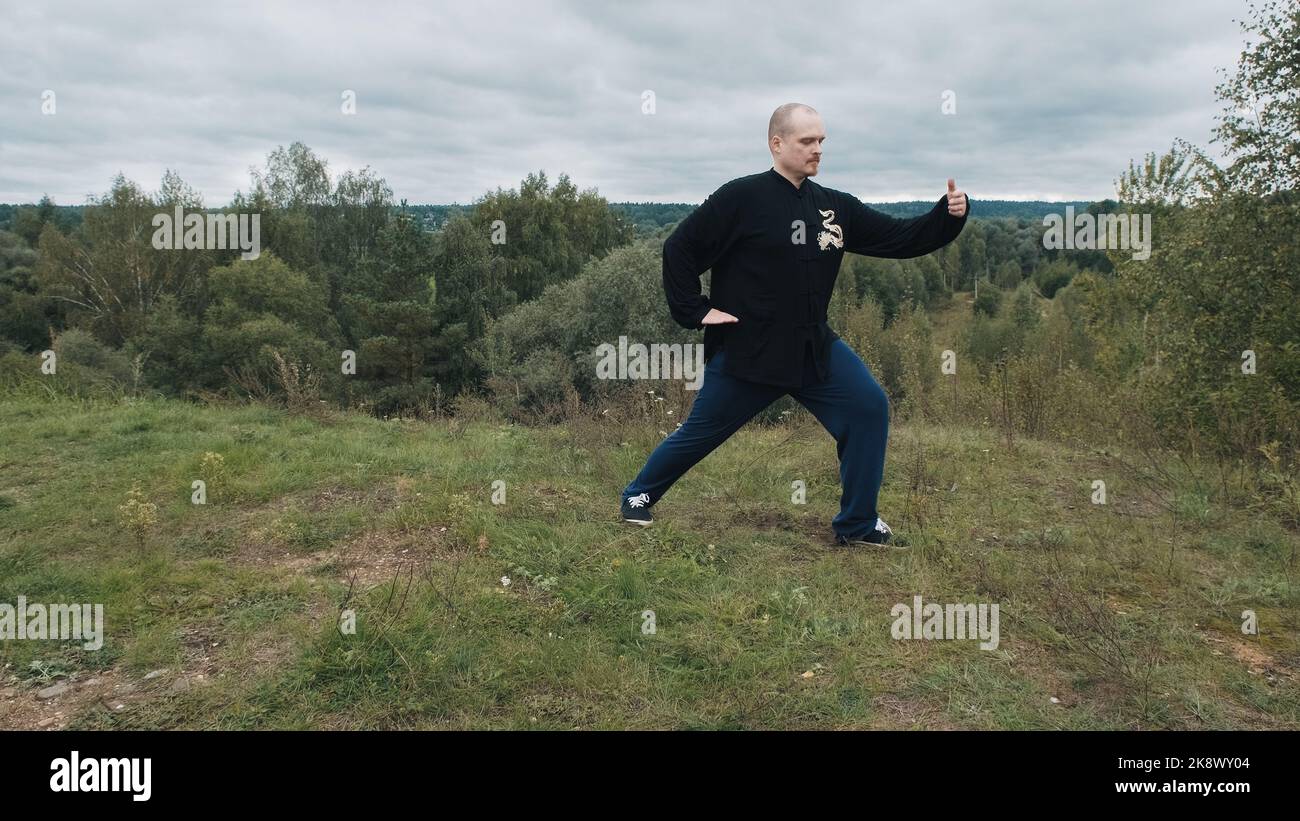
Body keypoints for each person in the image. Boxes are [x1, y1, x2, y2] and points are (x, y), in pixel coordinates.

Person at [619, 103, 970, 548]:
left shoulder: (834, 206)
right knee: (700, 433)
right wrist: (695, 309)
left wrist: (947, 217)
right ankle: (638, 494)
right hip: (749, 351)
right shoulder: (741, 198)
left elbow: (900, 238)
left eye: (821, 140)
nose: (817, 149)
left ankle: (858, 524)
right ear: (777, 143)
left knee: (869, 407)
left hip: (813, 348)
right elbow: (680, 248)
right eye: (807, 141)